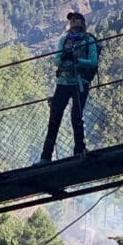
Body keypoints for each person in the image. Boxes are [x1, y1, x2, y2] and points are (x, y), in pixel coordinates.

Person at [37, 10, 98, 163]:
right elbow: (57, 59)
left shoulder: (89, 40)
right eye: (71, 20)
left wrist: (76, 61)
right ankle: (46, 156)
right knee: (55, 118)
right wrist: (65, 60)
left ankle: (79, 150)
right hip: (64, 82)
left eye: (76, 19)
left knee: (76, 116)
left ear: (82, 23)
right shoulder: (64, 40)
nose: (73, 22)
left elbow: (93, 62)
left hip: (79, 82)